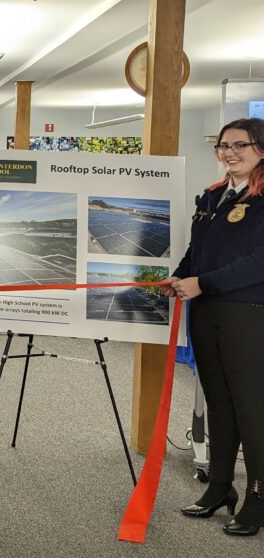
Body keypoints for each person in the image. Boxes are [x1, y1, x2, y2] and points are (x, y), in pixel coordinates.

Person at [165, 117, 264, 537]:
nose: (230, 152)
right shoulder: (213, 195)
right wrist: (180, 276)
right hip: (206, 313)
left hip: (247, 315)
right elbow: (197, 249)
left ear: (260, 148)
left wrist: (201, 283)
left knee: (252, 410)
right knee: (219, 403)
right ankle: (221, 486)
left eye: (241, 145)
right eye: (224, 145)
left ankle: (259, 495)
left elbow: (257, 263)